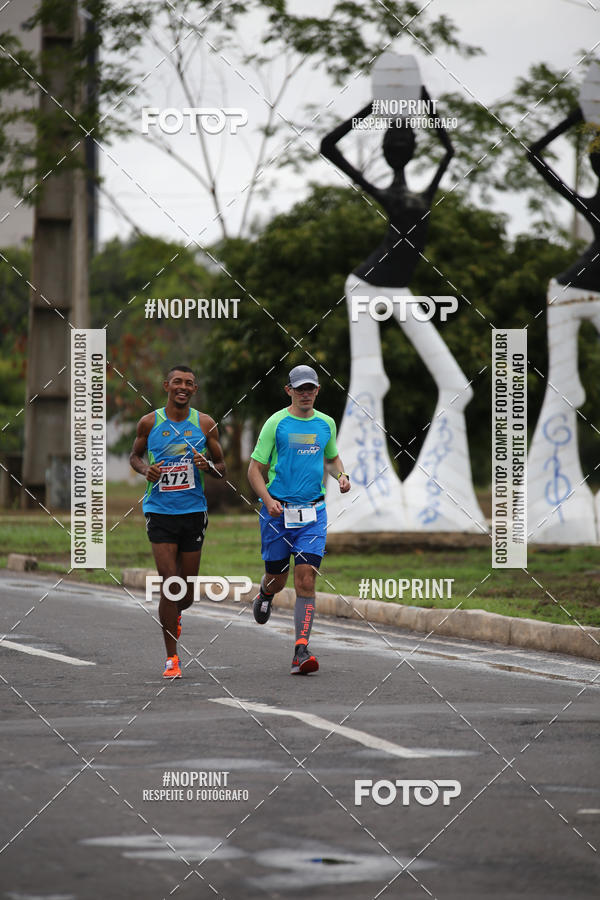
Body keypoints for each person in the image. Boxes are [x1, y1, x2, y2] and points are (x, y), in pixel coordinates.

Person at [319, 91, 484, 533]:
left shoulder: (422, 191)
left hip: (399, 289)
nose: (402, 147)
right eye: (395, 142)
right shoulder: (386, 193)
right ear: (387, 151)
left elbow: (449, 149)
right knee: (370, 382)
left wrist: (422, 102)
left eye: (406, 141)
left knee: (456, 385)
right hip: (365, 286)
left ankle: (436, 495)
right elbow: (327, 147)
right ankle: (360, 494)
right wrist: (375, 107)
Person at [247, 365, 350, 674]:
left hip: (313, 514)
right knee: (278, 579)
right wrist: (268, 501)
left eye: (311, 388)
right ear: (289, 391)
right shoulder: (276, 424)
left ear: (318, 391)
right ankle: (265, 592)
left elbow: (331, 459)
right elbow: (254, 469)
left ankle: (301, 651)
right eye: (300, 389)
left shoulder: (326, 424)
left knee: (305, 577)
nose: (306, 394)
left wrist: (342, 476)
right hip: (278, 514)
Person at [130, 365, 226, 678]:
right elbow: (135, 456)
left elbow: (222, 467)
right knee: (170, 584)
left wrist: (208, 465)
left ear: (194, 390)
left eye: (188, 383)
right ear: (166, 386)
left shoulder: (205, 423)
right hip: (159, 511)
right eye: (177, 382)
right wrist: (145, 470)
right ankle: (172, 658)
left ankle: (176, 614)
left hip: (193, 512)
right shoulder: (149, 422)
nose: (182, 387)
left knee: (185, 594)